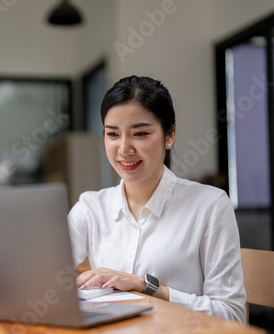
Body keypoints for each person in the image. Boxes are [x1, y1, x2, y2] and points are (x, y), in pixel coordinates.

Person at [68, 75, 246, 323]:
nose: (124, 149)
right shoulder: (91, 207)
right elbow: (41, 277)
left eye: (140, 134)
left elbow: (232, 316)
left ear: (169, 136)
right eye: (113, 134)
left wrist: (147, 287)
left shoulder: (210, 205)